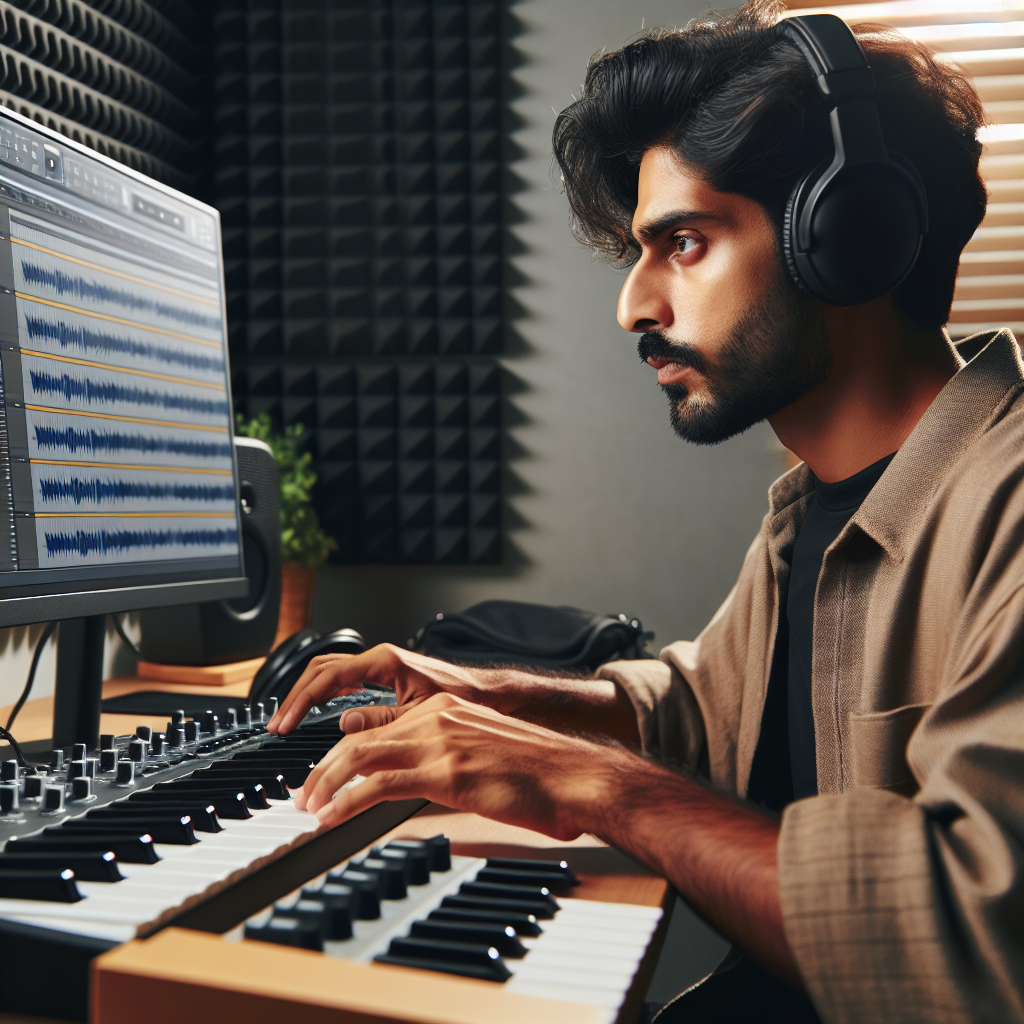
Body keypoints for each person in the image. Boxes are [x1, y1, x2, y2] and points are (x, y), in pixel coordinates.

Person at [269, 3, 1024, 1020]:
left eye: (684, 241)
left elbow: (972, 935)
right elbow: (703, 715)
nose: (633, 304)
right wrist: (490, 695)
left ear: (846, 236)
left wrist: (594, 785)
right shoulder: (813, 507)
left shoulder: (1007, 503)